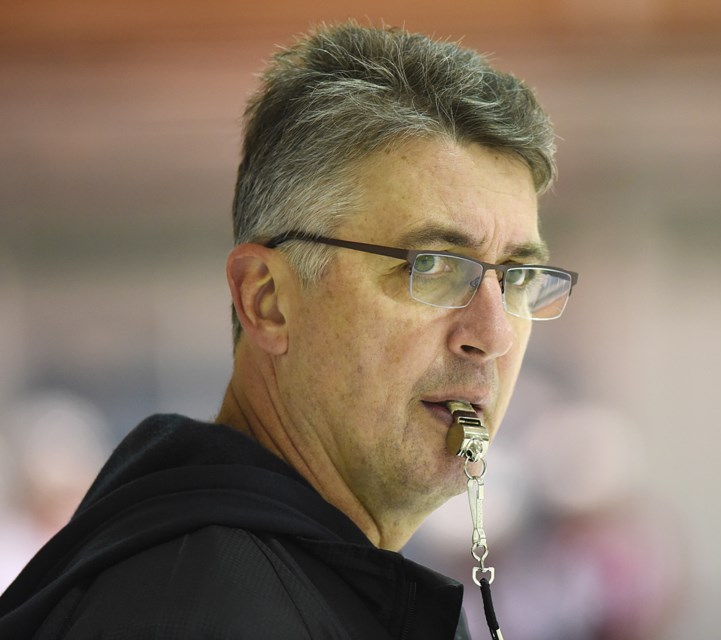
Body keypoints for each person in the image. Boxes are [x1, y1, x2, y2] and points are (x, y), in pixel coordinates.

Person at [0, 21, 578, 639]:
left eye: (517, 277)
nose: (492, 334)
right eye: (432, 266)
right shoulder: (198, 613)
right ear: (268, 300)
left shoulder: (311, 583)